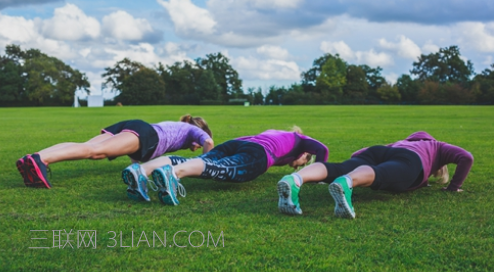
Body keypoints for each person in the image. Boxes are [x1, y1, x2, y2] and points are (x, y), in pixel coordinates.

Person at [277, 131, 474, 219]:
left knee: (337, 168)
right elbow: (466, 157)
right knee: (380, 173)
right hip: (410, 160)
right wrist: (453, 187)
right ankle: (347, 183)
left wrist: (354, 166)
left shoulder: (400, 142)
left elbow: (359, 154)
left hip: (378, 151)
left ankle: (295, 179)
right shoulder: (436, 146)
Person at [122, 126, 329, 204]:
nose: (301, 164)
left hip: (238, 143)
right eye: (305, 160)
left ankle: (140, 170)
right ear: (304, 155)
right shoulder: (300, 140)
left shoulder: (276, 134)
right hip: (257, 153)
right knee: (219, 168)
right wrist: (319, 175)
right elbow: (323, 149)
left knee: (198, 161)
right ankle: (172, 174)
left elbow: (247, 138)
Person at [16, 114, 214, 192]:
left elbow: (138, 155)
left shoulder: (177, 128)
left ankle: (33, 158)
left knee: (87, 146)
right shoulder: (192, 131)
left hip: (135, 126)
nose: (195, 146)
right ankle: (41, 159)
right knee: (95, 151)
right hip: (146, 134)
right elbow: (208, 141)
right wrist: (203, 164)